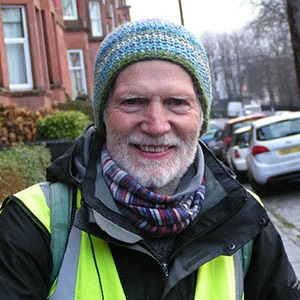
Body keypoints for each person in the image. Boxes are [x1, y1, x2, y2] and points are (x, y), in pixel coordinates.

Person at [0, 18, 299, 300]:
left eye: (177, 103)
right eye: (133, 102)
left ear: (201, 118)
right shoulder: (35, 222)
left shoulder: (244, 216)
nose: (156, 125)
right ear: (103, 115)